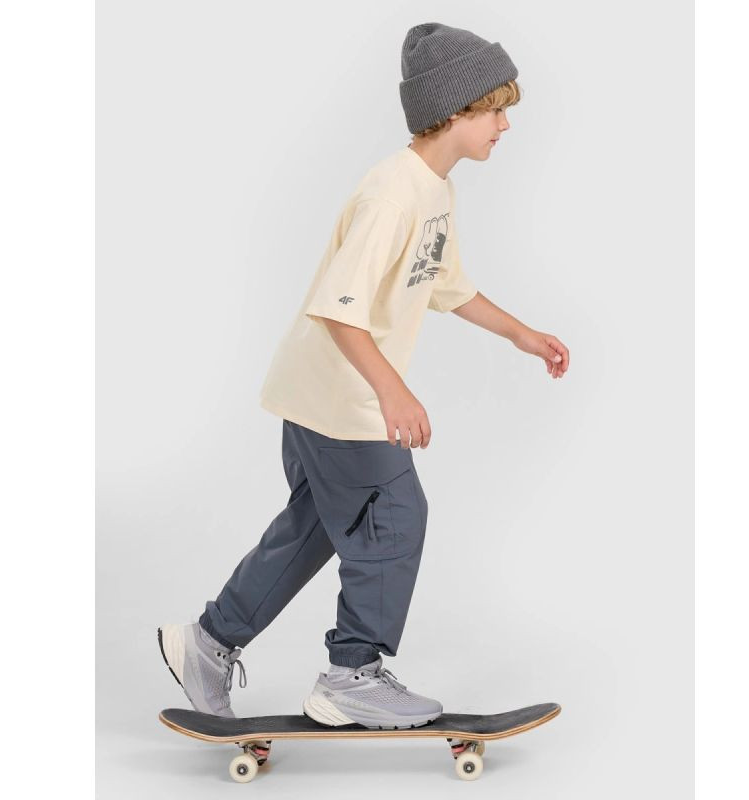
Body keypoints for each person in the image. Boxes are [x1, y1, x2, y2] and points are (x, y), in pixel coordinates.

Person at [158, 21, 569, 729]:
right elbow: (338, 309)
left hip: (318, 394)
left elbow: (445, 285)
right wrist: (392, 390)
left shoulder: (434, 191)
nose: (505, 125)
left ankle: (208, 641)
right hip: (341, 399)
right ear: (455, 110)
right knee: (396, 516)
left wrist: (522, 334)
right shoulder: (391, 196)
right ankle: (352, 675)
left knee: (317, 528)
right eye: (496, 110)